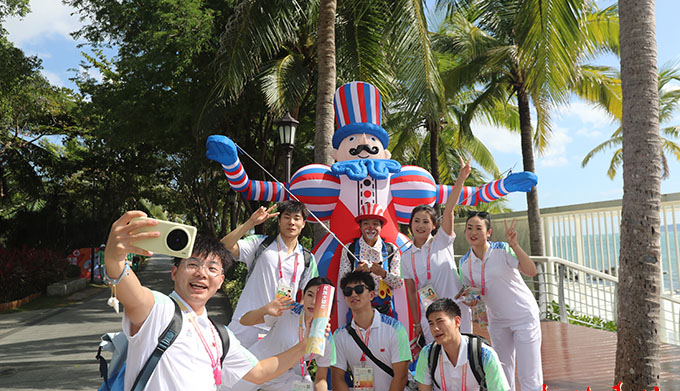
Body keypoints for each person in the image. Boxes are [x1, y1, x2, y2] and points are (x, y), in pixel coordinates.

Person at [206, 81, 538, 330]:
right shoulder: (322, 182)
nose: (363, 148)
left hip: (394, 258)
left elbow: (456, 197)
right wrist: (232, 164)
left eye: (371, 143)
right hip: (336, 259)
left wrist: (502, 186)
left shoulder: (406, 183)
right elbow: (256, 187)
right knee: (335, 316)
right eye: (352, 142)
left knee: (404, 314)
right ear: (336, 153)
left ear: (386, 154)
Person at [103, 211, 313, 391]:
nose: (202, 273)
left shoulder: (219, 336)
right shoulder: (160, 312)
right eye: (192, 264)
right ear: (174, 272)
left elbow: (259, 371)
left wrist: (307, 344)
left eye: (212, 268)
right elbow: (132, 292)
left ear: (221, 280)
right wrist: (115, 257)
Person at [459, 213, 544, 391]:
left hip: (524, 317)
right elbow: (472, 294)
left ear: (488, 232)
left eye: (478, 227)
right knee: (503, 377)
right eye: (469, 228)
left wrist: (515, 244)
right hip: (497, 322)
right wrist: (470, 300)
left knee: (530, 378)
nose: (473, 232)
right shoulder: (465, 263)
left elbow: (531, 271)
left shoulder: (502, 250)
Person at [221, 277, 336, 391]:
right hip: (256, 368)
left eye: (319, 298)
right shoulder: (287, 311)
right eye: (309, 295)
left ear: (328, 304)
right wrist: (265, 310)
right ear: (303, 296)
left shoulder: (326, 338)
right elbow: (244, 321)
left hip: (282, 377)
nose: (313, 302)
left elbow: (321, 378)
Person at [330, 271, 416, 391]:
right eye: (348, 291)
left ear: (371, 294)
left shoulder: (394, 329)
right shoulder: (340, 335)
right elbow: (337, 378)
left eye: (359, 289)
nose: (353, 294)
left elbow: (400, 377)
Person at [415, 298, 512, 391]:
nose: (435, 328)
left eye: (440, 321)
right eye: (431, 323)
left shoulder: (484, 353)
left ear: (457, 321)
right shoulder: (427, 354)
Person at [221, 200, 318, 347]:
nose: (291, 222)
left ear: (303, 223)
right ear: (279, 221)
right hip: (246, 324)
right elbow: (224, 247)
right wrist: (250, 223)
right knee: (232, 369)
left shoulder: (307, 258)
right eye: (286, 217)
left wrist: (298, 326)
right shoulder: (260, 243)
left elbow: (310, 295)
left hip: (279, 330)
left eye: (297, 218)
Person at [402, 156, 472, 344]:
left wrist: (461, 179)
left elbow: (448, 210)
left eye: (426, 221)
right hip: (430, 317)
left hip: (455, 311)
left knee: (463, 354)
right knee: (437, 360)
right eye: (416, 221)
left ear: (434, 226)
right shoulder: (406, 256)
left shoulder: (442, 241)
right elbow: (410, 292)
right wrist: (417, 322)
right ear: (410, 225)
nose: (420, 225)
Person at [337, 202, 403, 323]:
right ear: (360, 226)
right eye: (366, 223)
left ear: (381, 227)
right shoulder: (348, 249)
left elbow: (398, 282)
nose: (370, 227)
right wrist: (357, 273)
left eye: (375, 224)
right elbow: (342, 283)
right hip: (357, 311)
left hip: (385, 312)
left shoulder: (391, 250)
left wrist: (383, 273)